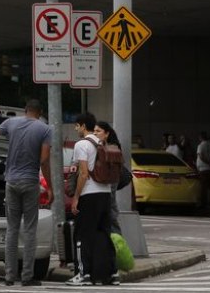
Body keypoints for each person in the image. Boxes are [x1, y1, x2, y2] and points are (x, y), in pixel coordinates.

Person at [0, 101, 52, 287]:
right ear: (39, 113)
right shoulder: (45, 129)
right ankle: (27, 277)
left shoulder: (11, 123)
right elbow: (45, 161)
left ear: (25, 111)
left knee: (12, 229)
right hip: (30, 182)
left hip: (11, 182)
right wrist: (49, 187)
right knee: (30, 230)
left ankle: (9, 276)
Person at [66, 113, 116, 287]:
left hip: (89, 195)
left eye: (76, 126)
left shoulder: (82, 144)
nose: (75, 129)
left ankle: (83, 273)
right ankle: (111, 273)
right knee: (103, 234)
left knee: (81, 235)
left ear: (82, 126)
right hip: (105, 194)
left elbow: (84, 173)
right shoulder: (102, 142)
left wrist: (76, 198)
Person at [94, 121, 124, 236]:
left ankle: (117, 244)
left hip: (109, 184)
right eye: (94, 131)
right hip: (105, 185)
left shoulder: (111, 149)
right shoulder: (101, 147)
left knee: (111, 213)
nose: (95, 133)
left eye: (98, 131)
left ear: (106, 134)